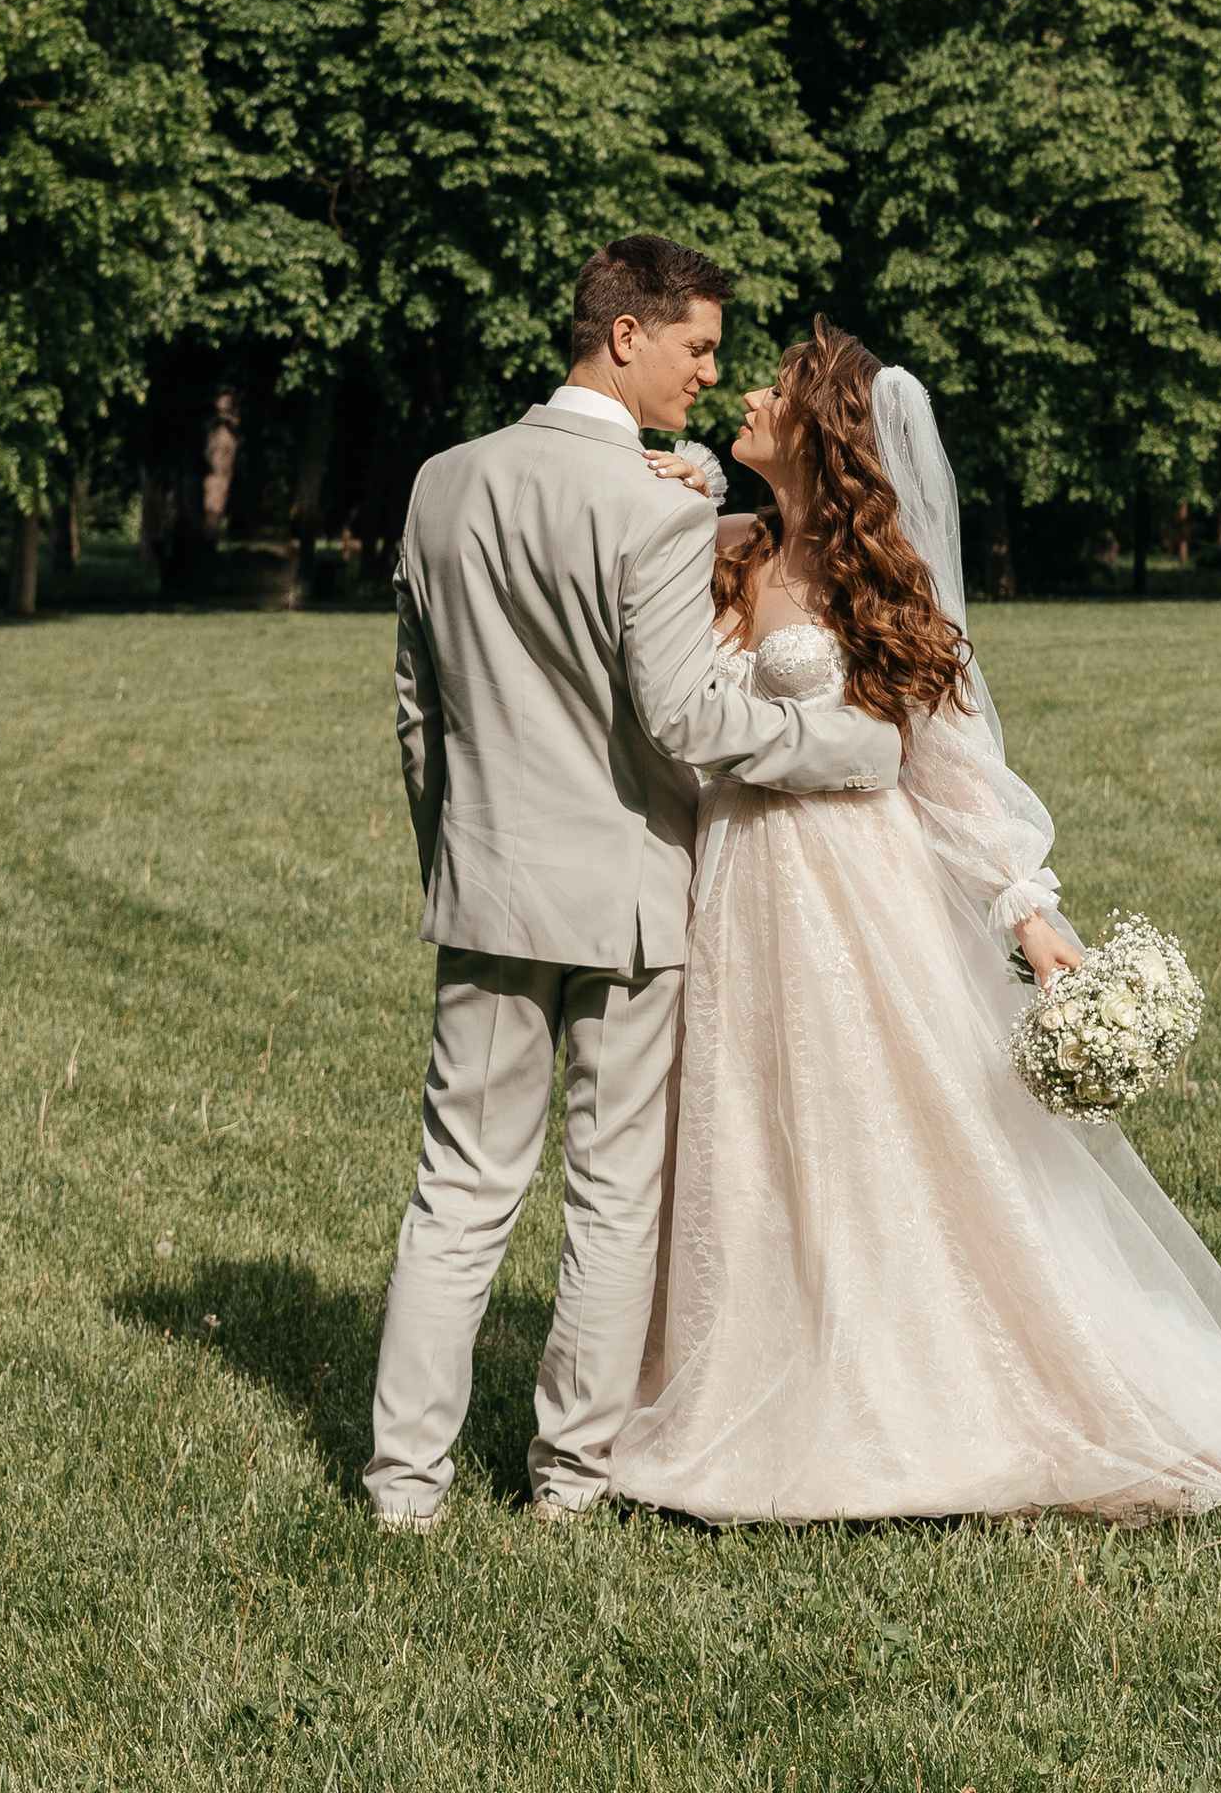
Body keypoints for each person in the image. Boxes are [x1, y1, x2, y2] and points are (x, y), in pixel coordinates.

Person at [610, 321, 1221, 1527]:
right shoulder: (731, 545)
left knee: (883, 1133)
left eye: (775, 389)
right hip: (738, 888)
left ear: (825, 435)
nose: (747, 394)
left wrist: (1029, 913)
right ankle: (752, 1371)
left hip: (853, 894)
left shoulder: (881, 581)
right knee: (751, 1130)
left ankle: (916, 1385)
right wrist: (691, 478)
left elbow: (951, 767)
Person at [364, 238, 904, 1529]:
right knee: (611, 1201)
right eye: (698, 348)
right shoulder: (650, 507)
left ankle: (401, 1488)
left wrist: (458, 847)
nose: (711, 376)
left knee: (459, 1189)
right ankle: (570, 1481)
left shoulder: (443, 484)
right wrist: (848, 748)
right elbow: (687, 720)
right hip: (629, 898)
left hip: (487, 888)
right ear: (624, 336)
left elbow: (415, 715)